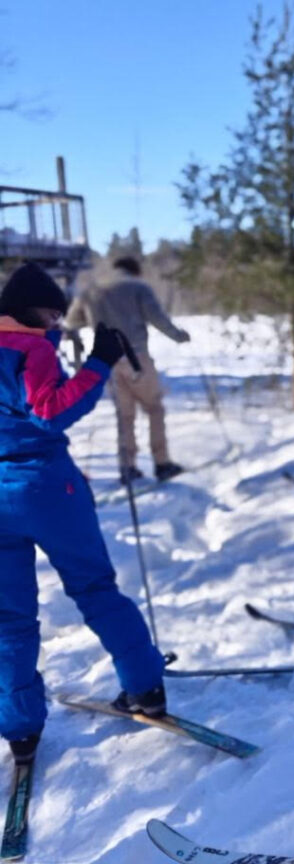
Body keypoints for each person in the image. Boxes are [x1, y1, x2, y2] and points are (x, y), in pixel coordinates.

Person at [0, 263, 168, 766]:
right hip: (47, 487)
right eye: (51, 312)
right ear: (30, 310)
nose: (56, 322)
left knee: (8, 618)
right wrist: (98, 363)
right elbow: (50, 409)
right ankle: (144, 687)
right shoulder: (31, 348)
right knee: (94, 588)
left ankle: (20, 728)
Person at [65, 256, 190, 484]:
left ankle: (127, 467)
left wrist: (95, 319)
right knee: (154, 408)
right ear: (135, 271)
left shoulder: (92, 290)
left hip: (107, 361)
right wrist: (179, 336)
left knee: (124, 415)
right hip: (136, 357)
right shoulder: (137, 287)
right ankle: (162, 463)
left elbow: (71, 321)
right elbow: (157, 317)